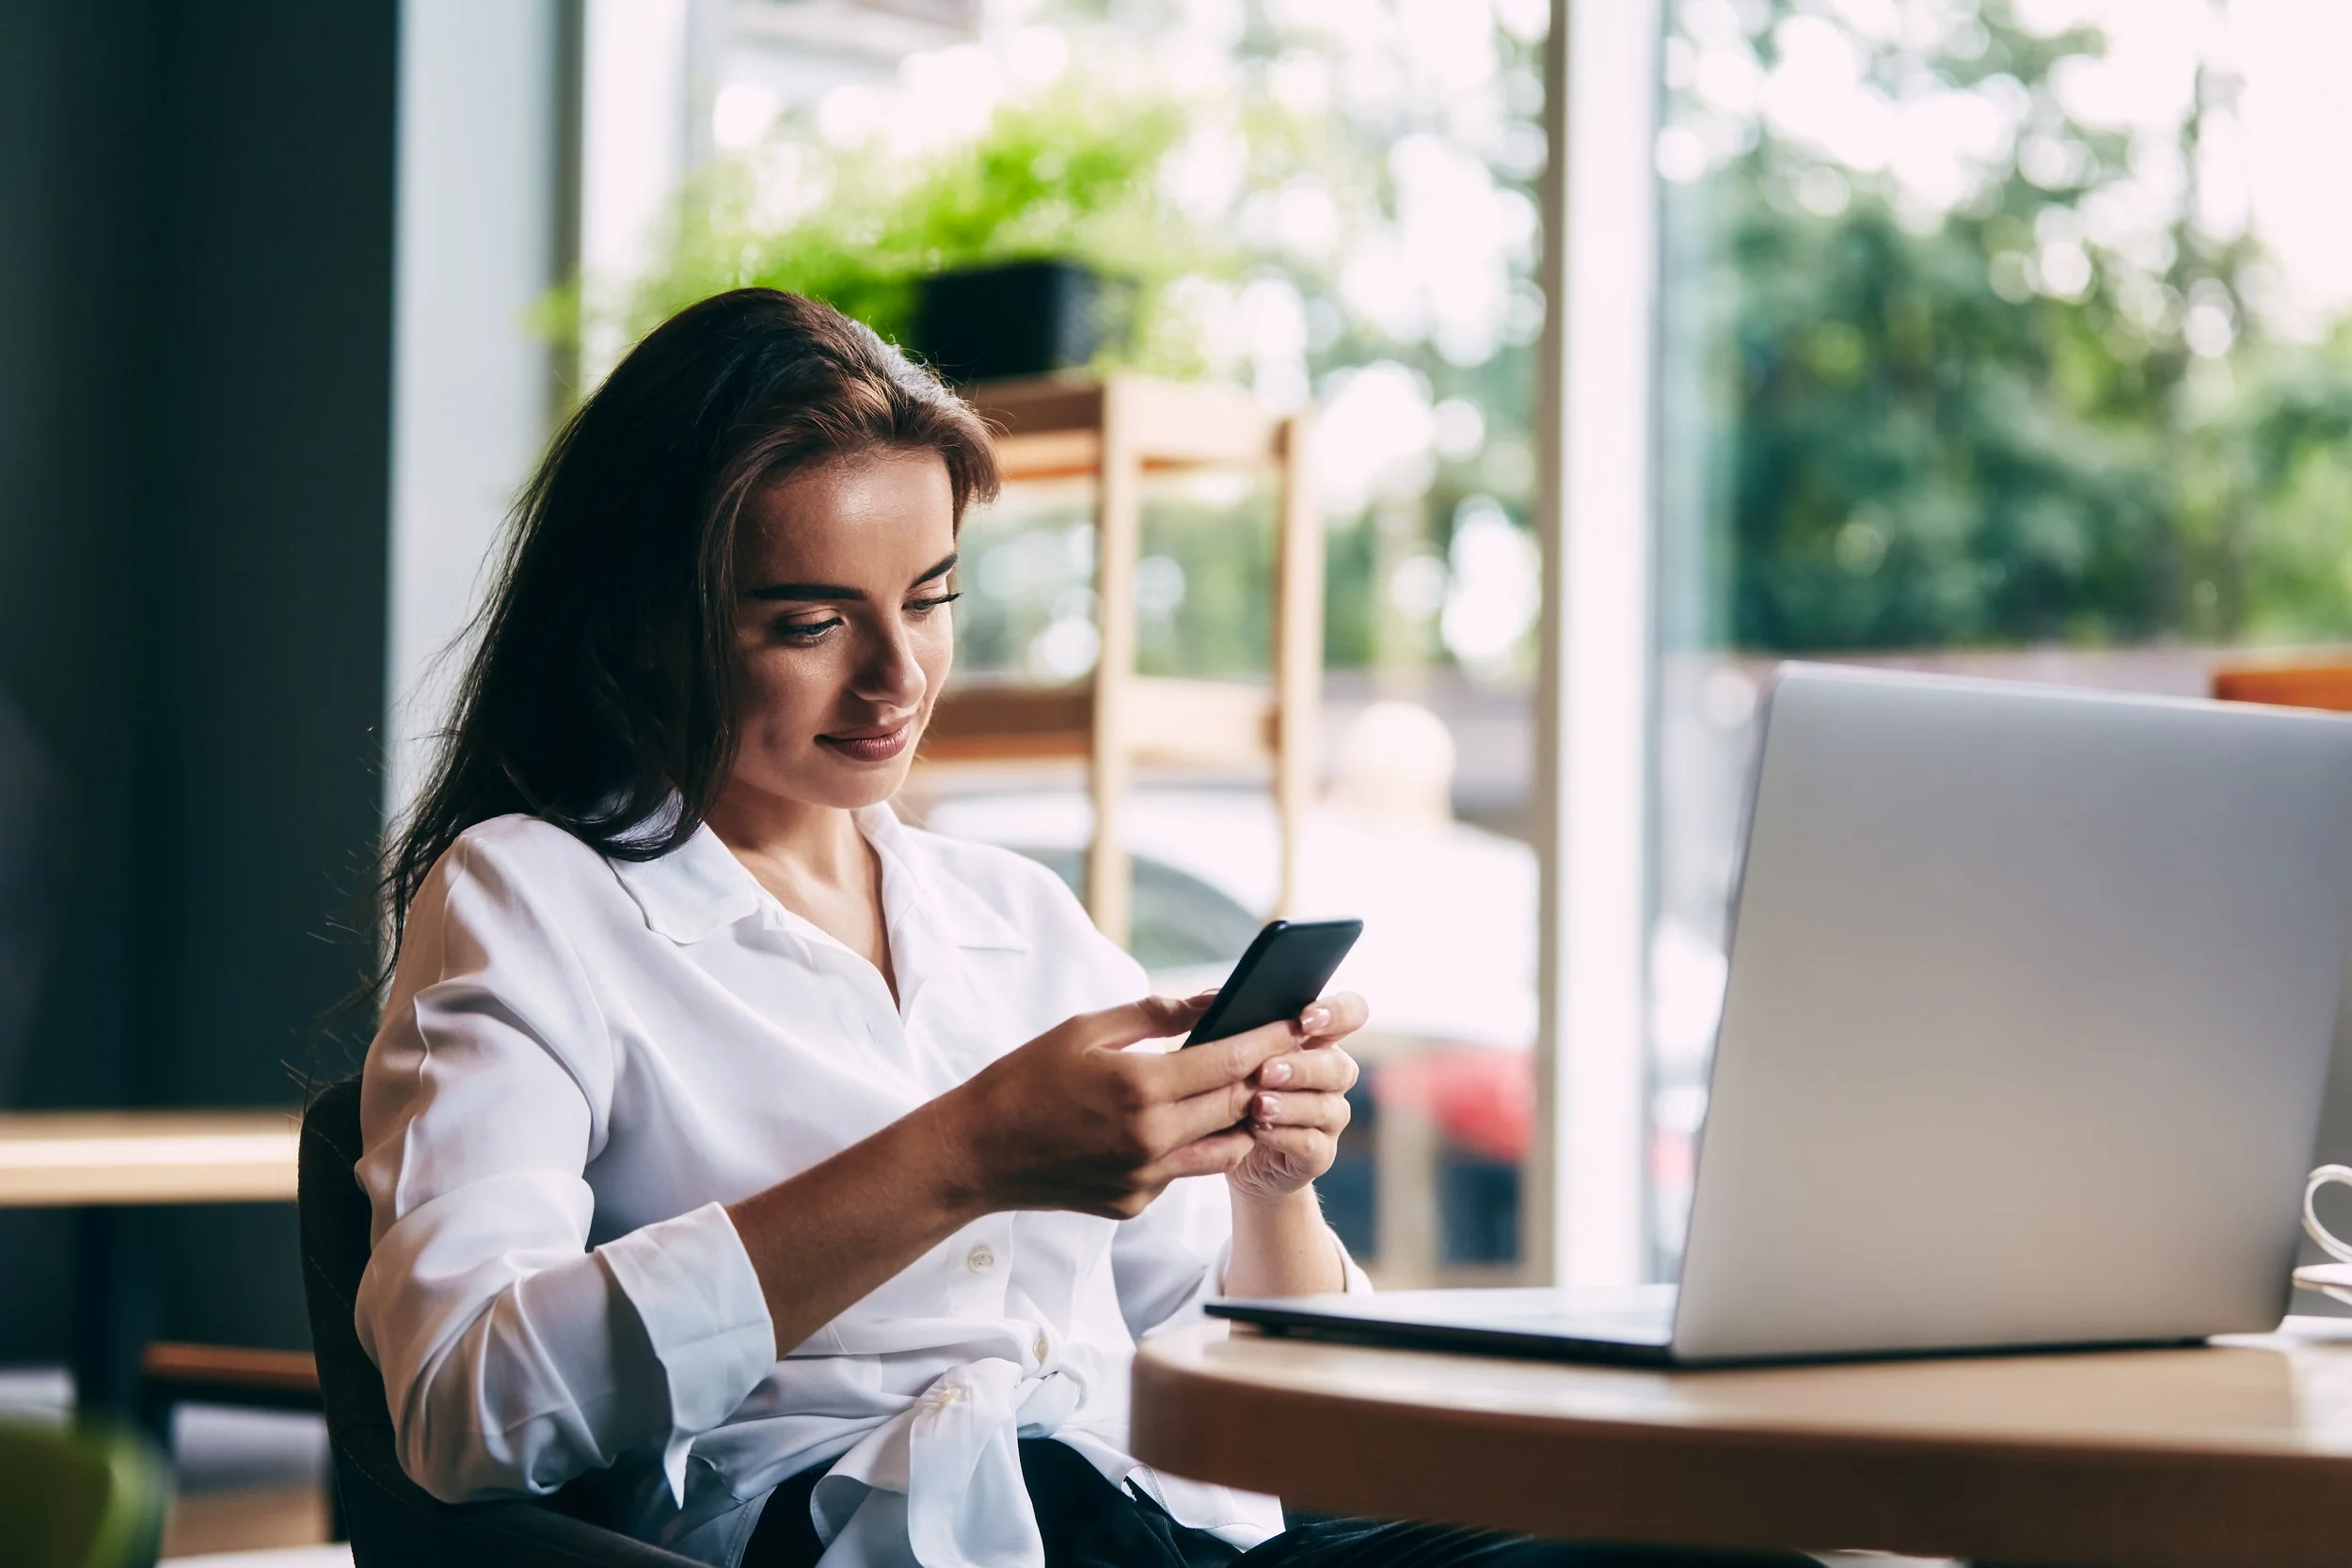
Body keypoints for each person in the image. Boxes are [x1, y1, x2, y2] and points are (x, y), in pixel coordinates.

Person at [352, 289, 1805, 1568]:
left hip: (1171, 1521)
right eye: (809, 624)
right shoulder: (531, 895)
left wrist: (1272, 1178)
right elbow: (463, 1404)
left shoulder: (1014, 920)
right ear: (641, 625)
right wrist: (962, 1155)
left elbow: (1292, 1401)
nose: (897, 677)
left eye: (932, 599)